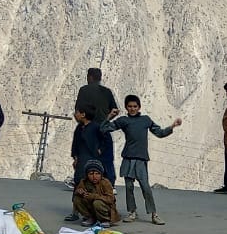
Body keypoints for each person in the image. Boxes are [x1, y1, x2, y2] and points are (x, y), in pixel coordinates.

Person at [102, 95, 181, 226]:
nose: (132, 109)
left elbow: (160, 133)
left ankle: (154, 214)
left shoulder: (145, 120)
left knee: (145, 187)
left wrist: (172, 126)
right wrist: (109, 116)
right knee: (129, 187)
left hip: (141, 159)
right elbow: (104, 128)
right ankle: (132, 212)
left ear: (139, 107)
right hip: (128, 157)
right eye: (130, 106)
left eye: (135, 106)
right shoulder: (123, 120)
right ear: (126, 107)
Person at [65, 106, 115, 221]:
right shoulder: (79, 128)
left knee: (92, 185)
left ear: (83, 114)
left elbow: (106, 140)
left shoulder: (96, 127)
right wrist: (75, 157)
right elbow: (75, 144)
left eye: (77, 112)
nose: (75, 115)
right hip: (81, 159)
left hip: (93, 159)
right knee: (78, 184)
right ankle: (75, 212)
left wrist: (100, 150)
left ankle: (94, 213)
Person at [70, 159, 119, 226]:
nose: (94, 177)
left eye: (97, 173)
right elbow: (78, 192)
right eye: (91, 174)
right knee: (77, 199)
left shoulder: (105, 182)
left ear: (101, 174)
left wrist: (93, 196)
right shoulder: (84, 182)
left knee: (97, 203)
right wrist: (79, 192)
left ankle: (105, 220)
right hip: (91, 207)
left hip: (104, 207)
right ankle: (90, 218)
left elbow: (111, 199)